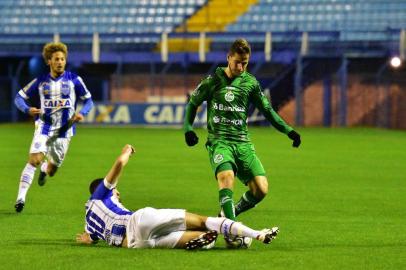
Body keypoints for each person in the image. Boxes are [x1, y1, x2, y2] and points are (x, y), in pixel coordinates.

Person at [183, 39, 301, 233]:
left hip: (243, 143)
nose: (240, 66)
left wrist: (289, 131)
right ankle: (232, 232)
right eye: (237, 62)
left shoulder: (250, 83)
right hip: (220, 142)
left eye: (244, 63)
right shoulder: (212, 81)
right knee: (226, 177)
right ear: (229, 58)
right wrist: (188, 128)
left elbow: (267, 110)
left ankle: (228, 216)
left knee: (261, 189)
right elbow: (193, 103)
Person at [76, 145, 279, 250]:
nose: (117, 193)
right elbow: (119, 164)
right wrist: (127, 151)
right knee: (203, 221)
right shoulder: (100, 194)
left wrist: (87, 239)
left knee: (205, 237)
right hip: (138, 220)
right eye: (115, 191)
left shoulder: (89, 220)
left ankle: (208, 239)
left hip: (134, 244)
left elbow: (90, 238)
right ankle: (256, 234)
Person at [14, 42, 94, 212]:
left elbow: (89, 100)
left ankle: (45, 168)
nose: (60, 62)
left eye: (63, 59)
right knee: (34, 160)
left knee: (52, 170)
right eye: (56, 59)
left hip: (64, 132)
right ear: (49, 61)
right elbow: (18, 98)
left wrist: (83, 113)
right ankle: (20, 198)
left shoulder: (74, 80)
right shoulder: (40, 81)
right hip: (44, 126)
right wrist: (27, 109)